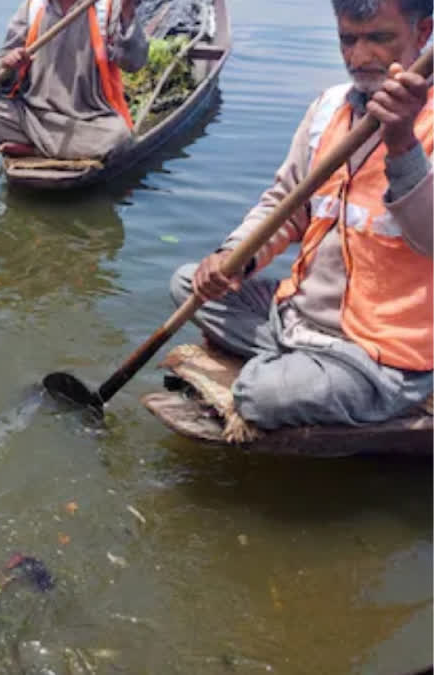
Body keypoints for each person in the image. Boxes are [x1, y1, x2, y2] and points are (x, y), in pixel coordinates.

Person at [170, 0, 433, 430]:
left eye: (380, 39)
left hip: (382, 352)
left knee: (258, 395)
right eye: (348, 39)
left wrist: (402, 143)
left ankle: (300, 378)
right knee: (188, 284)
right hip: (298, 316)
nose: (359, 57)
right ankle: (295, 365)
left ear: (422, 35)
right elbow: (284, 206)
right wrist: (234, 257)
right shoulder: (330, 107)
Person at [0, 0, 148, 161]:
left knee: (118, 138)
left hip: (90, 118)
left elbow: (134, 63)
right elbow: (0, 71)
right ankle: (64, 150)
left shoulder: (107, 7)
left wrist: (126, 11)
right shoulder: (33, 7)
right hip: (34, 115)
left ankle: (35, 150)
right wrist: (9, 63)